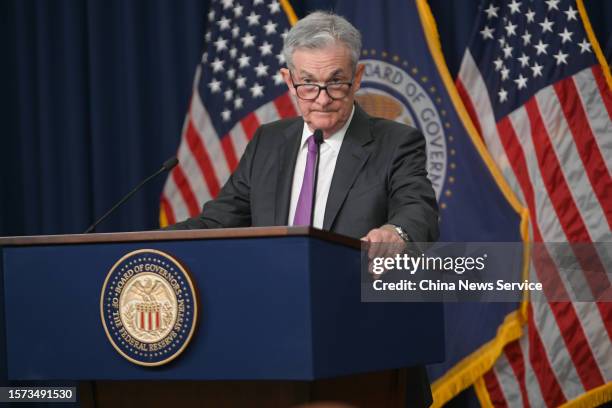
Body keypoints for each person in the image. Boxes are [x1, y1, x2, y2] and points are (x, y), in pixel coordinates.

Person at [168, 11, 438, 407]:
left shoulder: (396, 142)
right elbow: (217, 222)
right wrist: (150, 244)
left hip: (365, 354)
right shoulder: (268, 142)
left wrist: (396, 234)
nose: (323, 98)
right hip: (272, 354)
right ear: (288, 81)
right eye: (308, 85)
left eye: (336, 83)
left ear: (357, 78)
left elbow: (417, 209)